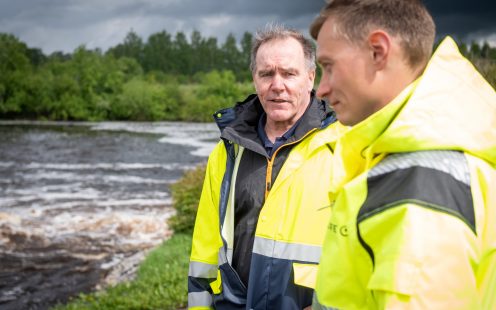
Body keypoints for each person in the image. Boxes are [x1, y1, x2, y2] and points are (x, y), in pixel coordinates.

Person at [309, 0, 496, 309]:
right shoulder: (451, 145)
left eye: (328, 67)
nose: (321, 89)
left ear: (378, 51)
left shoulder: (419, 185)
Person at [187, 24, 345, 309]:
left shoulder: (342, 147)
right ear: (254, 79)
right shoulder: (227, 151)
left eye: (288, 73)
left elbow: (361, 248)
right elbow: (204, 250)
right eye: (266, 74)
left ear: (310, 78)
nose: (277, 85)